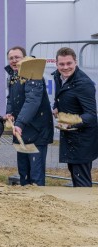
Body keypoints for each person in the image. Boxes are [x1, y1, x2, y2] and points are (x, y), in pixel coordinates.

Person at [4, 46, 53, 186]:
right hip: (22, 130)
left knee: (35, 175)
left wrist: (19, 123)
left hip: (37, 131)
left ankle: (38, 203)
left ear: (24, 58)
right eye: (11, 58)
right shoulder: (13, 76)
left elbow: (33, 101)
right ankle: (26, 204)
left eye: (17, 57)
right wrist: (10, 112)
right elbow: (11, 98)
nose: (14, 60)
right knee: (24, 172)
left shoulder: (33, 74)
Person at [52, 47, 98, 187]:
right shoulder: (58, 77)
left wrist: (70, 123)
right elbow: (61, 95)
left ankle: (87, 208)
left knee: (82, 183)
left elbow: (91, 115)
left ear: (75, 62)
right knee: (75, 176)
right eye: (62, 64)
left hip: (82, 140)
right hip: (70, 138)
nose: (65, 67)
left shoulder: (84, 84)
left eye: (69, 63)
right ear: (56, 64)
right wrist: (56, 106)